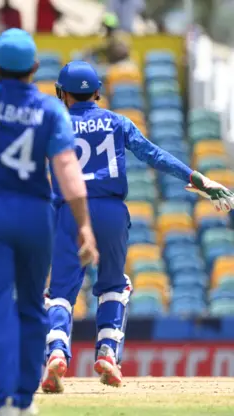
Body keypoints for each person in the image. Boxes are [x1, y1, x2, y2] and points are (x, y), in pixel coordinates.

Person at [40, 61, 234, 394]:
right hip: (112, 212)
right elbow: (153, 154)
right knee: (115, 285)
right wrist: (197, 178)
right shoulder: (116, 121)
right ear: (98, 92)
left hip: (70, 212)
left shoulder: (53, 125)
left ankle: (57, 353)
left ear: (61, 94)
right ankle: (107, 354)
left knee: (60, 293)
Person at [0, 1, 99, 414]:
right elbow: (67, 168)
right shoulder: (50, 107)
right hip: (36, 214)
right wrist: (84, 226)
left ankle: (4, 401)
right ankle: (24, 396)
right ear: (35, 68)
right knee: (33, 305)